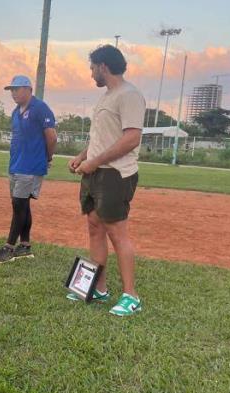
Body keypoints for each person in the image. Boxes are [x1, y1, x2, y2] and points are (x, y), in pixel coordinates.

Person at [67, 45, 146, 317]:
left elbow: (131, 138)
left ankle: (130, 295)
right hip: (95, 172)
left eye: (92, 68)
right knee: (94, 228)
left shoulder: (129, 95)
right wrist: (81, 157)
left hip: (115, 174)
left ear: (103, 66)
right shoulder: (106, 97)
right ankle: (97, 288)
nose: (91, 74)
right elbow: (101, 140)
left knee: (116, 232)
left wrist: (96, 162)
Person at [0, 75, 57, 264]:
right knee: (22, 205)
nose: (13, 93)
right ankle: (25, 246)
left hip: (31, 166)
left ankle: (9, 247)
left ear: (28, 89)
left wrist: (48, 158)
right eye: (11, 89)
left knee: (19, 205)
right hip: (16, 165)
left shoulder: (40, 108)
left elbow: (51, 137)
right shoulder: (15, 112)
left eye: (17, 89)